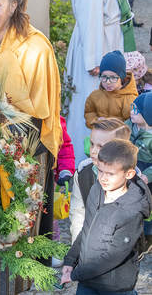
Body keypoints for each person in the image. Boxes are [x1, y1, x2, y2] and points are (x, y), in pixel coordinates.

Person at [0, 0, 62, 267]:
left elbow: (38, 112)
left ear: (14, 5)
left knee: (23, 227)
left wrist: (9, 150)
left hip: (25, 147)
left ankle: (29, 279)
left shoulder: (35, 48)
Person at [61, 139, 152, 294]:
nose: (103, 178)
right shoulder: (97, 190)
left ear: (129, 174)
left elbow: (113, 256)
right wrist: (71, 259)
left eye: (111, 173)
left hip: (114, 286)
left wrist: (75, 274)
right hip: (87, 281)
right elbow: (87, 228)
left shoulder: (131, 212)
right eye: (100, 170)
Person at [65, 0, 135, 166]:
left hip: (106, 35)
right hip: (98, 43)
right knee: (93, 100)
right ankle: (84, 162)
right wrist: (94, 58)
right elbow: (89, 14)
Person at [70, 118, 132, 243]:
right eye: (92, 143)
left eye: (101, 146)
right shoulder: (82, 173)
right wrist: (79, 245)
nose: (92, 151)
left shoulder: (132, 178)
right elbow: (78, 212)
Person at [125, 92, 152, 258]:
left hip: (147, 176)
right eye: (132, 107)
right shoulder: (127, 127)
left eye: (137, 110)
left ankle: (147, 237)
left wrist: (148, 174)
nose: (132, 112)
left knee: (147, 207)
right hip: (130, 171)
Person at [84, 50, 138, 129]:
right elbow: (89, 112)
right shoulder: (95, 96)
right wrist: (96, 121)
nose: (108, 82)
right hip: (100, 136)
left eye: (113, 77)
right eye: (104, 77)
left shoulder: (129, 99)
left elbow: (132, 123)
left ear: (121, 77)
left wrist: (112, 126)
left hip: (120, 139)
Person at [52, 115, 75, 268]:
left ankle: (54, 245)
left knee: (49, 212)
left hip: (47, 173)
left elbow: (65, 146)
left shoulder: (53, 117)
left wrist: (65, 169)